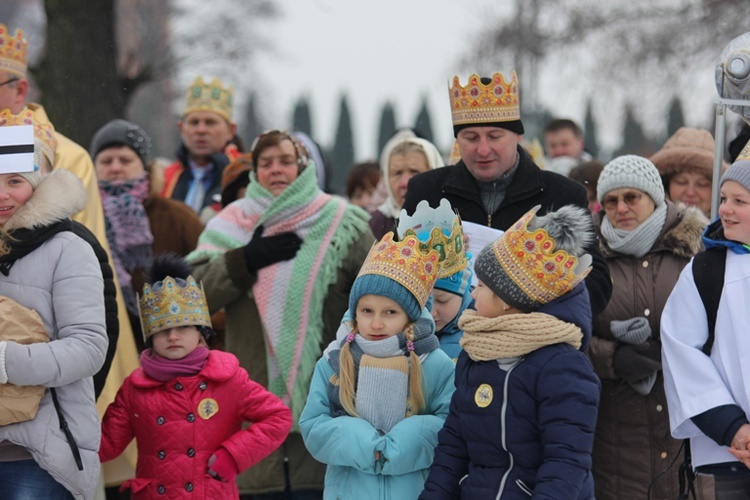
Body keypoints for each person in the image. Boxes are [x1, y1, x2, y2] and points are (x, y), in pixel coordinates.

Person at [186, 130, 374, 498]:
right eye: (266, 163)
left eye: (286, 161)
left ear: (303, 167)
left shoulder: (343, 222)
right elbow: (192, 294)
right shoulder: (230, 224)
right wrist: (244, 261)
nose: (276, 170)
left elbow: (378, 293)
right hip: (250, 413)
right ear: (255, 171)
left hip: (327, 409)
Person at [420, 205, 601, 498]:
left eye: (480, 286)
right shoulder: (476, 349)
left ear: (507, 298)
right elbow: (454, 444)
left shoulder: (563, 366)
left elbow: (566, 462)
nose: (474, 294)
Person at [403, 71, 612, 316]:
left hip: (533, 346)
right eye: (470, 137)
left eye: (495, 136)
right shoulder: (427, 191)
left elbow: (597, 285)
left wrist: (539, 279)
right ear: (457, 140)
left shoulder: (562, 194)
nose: (483, 149)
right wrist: (430, 255)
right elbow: (391, 273)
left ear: (518, 136)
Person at [100, 256, 292, 499]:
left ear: (200, 333)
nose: (172, 337)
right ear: (151, 338)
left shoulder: (228, 379)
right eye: (162, 330)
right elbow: (105, 444)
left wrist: (233, 456)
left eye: (183, 327)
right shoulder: (134, 388)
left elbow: (277, 417)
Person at [587, 155, 711, 499]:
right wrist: (613, 356)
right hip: (615, 434)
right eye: (611, 200)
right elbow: (567, 333)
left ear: (654, 198)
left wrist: (678, 348)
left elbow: (724, 327)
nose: (621, 208)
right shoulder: (587, 259)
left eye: (632, 197)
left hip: (686, 428)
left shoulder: (696, 249)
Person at [299, 230, 455, 500]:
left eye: (390, 312)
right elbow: (313, 425)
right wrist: (364, 443)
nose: (376, 323)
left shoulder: (434, 363)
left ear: (410, 315)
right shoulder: (335, 360)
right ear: (355, 311)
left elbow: (451, 425)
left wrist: (399, 444)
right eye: (367, 311)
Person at [0, 123, 108, 499]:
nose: (2, 194)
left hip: (36, 454)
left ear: (37, 184)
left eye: (15, 180)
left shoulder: (69, 248)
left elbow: (89, 347)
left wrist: (5, 361)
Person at [662, 142, 750, 497]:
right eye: (724, 198)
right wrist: (732, 428)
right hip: (734, 450)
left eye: (739, 201)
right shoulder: (708, 269)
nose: (724, 210)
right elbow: (680, 348)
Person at [91, 119, 204, 351]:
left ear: (144, 167)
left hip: (168, 349)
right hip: (102, 346)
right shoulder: (82, 217)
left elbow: (204, 279)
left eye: (125, 160)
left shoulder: (178, 216)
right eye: (106, 161)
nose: (115, 168)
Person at [397, 198, 473, 362]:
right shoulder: (398, 331)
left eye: (442, 300)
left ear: (463, 291)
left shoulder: (478, 335)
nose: (431, 313)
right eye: (422, 301)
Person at [160, 76, 240, 213]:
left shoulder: (244, 174)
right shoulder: (164, 179)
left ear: (230, 130)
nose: (201, 130)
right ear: (181, 128)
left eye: (210, 122)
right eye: (194, 122)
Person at [370, 129, 443, 239]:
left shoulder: (454, 220)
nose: (405, 183)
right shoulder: (374, 226)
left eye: (414, 172)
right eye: (397, 173)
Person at [650, 127, 721, 218]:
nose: (690, 193)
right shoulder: (641, 230)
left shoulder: (733, 231)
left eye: (702, 184)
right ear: (665, 186)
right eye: (681, 182)